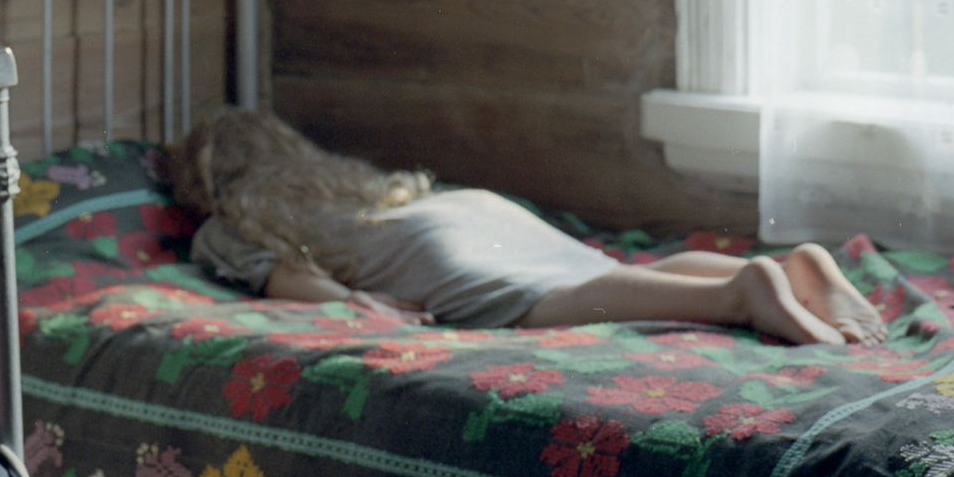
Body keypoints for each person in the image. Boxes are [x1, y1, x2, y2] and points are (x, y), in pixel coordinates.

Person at [167, 108, 886, 346]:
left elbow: (286, 276)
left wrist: (355, 301)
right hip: (464, 209)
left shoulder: (228, 222)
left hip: (424, 248)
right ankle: (787, 267)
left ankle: (739, 294)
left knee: (554, 303)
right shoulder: (333, 178)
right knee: (601, 274)